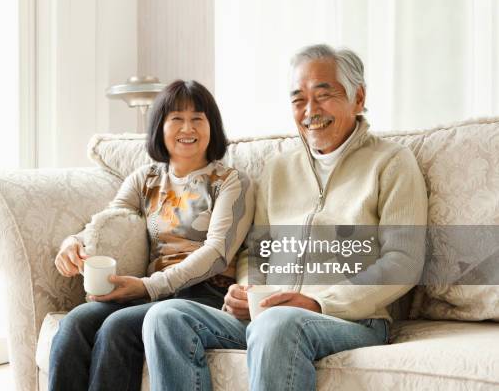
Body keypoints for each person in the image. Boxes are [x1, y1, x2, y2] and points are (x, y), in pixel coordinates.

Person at [142, 44, 428, 391]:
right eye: (298, 99)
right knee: (165, 317)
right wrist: (249, 292)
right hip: (270, 315)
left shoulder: (392, 163)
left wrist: (319, 302)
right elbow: (256, 250)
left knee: (278, 323)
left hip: (352, 319)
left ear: (358, 97)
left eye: (323, 96)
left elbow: (404, 260)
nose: (310, 110)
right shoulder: (278, 168)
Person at [48, 80, 254, 391]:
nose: (188, 127)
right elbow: (111, 219)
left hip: (203, 295)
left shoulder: (230, 181)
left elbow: (217, 253)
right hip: (148, 292)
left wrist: (146, 287)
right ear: (160, 126)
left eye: (198, 118)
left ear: (212, 126)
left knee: (118, 327)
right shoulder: (145, 178)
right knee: (75, 323)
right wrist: (73, 242)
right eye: (177, 118)